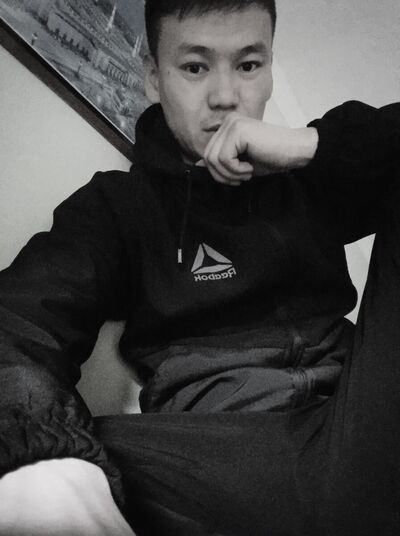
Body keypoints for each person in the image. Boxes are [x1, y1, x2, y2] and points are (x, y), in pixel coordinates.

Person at [1, 0, 400, 534]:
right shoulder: (119, 207)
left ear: (270, 69)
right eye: (195, 67)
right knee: (54, 461)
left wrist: (312, 145)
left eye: (248, 65)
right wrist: (48, 472)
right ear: (153, 77)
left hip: (364, 418)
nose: (226, 96)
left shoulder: (309, 182)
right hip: (222, 458)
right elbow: (20, 320)